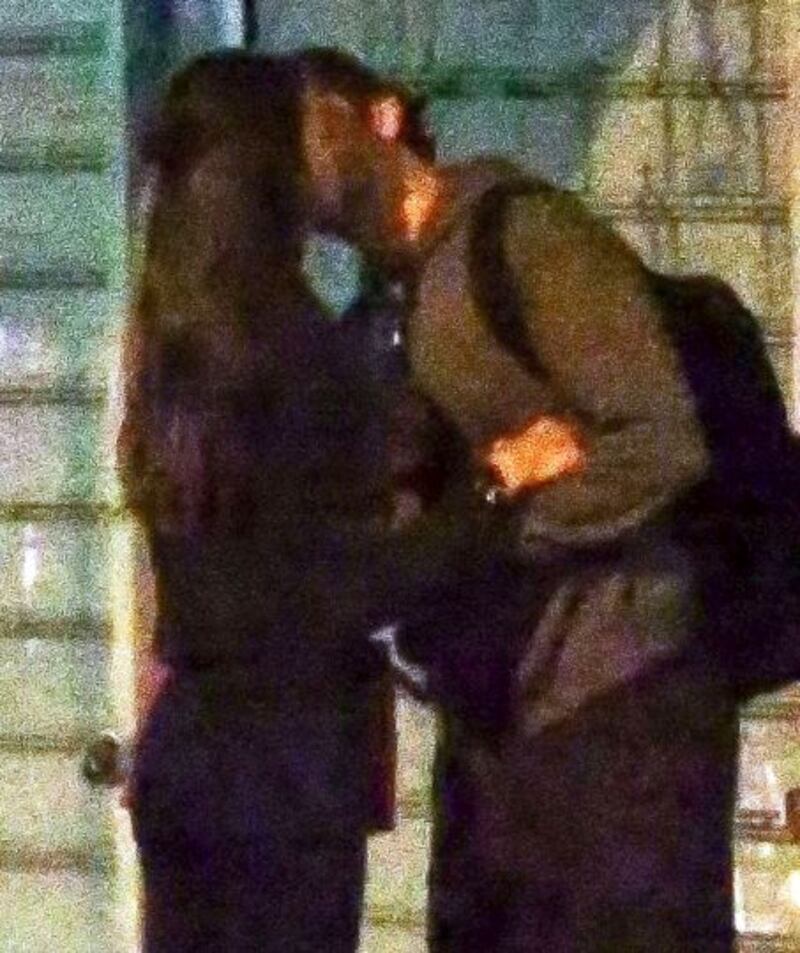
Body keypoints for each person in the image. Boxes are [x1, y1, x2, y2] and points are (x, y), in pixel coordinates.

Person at [293, 48, 750, 952]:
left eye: (307, 120)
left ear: (383, 117)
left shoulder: (522, 237)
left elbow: (662, 438)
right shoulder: (376, 315)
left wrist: (501, 527)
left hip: (618, 704)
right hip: (493, 725)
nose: (292, 153)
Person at [118, 51, 427, 952]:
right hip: (291, 765)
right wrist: (492, 495)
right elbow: (340, 585)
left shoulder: (169, 342)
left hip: (194, 755)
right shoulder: (301, 352)